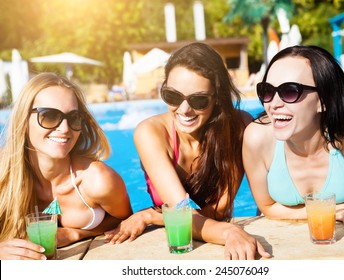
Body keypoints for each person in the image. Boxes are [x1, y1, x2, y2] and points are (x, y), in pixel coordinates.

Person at [105, 42, 271, 260]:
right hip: (174, 245)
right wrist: (230, 231)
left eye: (199, 100)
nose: (184, 110)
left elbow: (219, 211)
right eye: (173, 96)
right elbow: (182, 215)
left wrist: (151, 215)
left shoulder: (237, 127)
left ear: (217, 98)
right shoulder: (151, 133)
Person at [243, 45, 344, 236]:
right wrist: (337, 211)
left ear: (323, 100)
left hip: (343, 239)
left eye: (289, 91)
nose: (273, 104)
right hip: (279, 242)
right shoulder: (257, 137)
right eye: (268, 91)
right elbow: (268, 208)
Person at [0, 72, 132, 260]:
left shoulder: (97, 179)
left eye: (73, 117)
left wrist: (74, 233)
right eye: (49, 116)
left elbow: (127, 221)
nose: (64, 128)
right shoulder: (4, 177)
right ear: (24, 120)